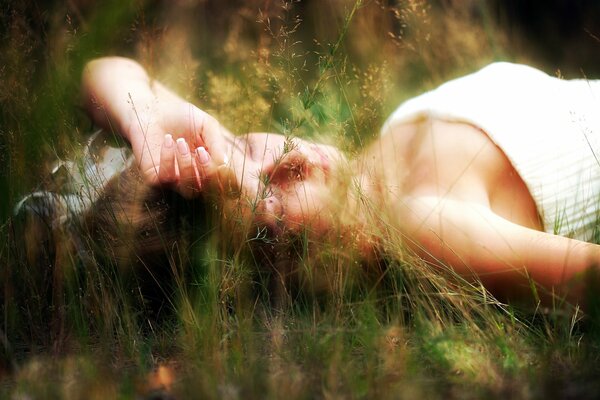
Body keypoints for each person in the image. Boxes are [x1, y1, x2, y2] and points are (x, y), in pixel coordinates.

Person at [26, 56, 600, 304]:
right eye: (271, 205)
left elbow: (104, 73)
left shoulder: (384, 158)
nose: (288, 159)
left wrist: (148, 130)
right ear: (276, 266)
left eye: (247, 145)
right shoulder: (423, 221)